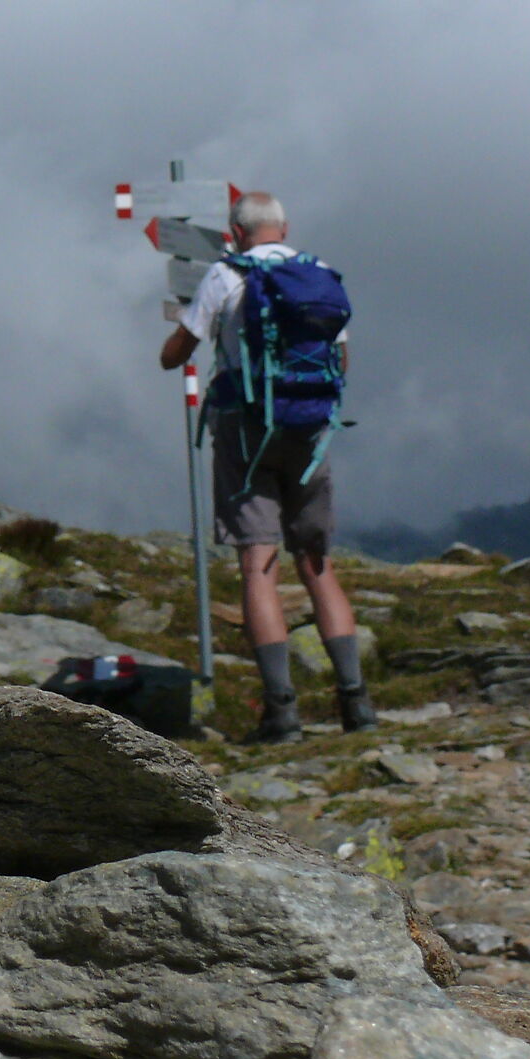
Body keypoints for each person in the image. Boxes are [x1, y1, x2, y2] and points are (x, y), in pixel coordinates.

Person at [159, 191, 375, 743]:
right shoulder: (320, 274)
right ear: (285, 226)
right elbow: (342, 356)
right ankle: (356, 703)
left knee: (258, 561)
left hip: (244, 426)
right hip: (309, 430)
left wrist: (180, 334)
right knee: (317, 561)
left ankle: (282, 713)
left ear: (234, 232)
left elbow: (177, 352)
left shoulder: (225, 276)